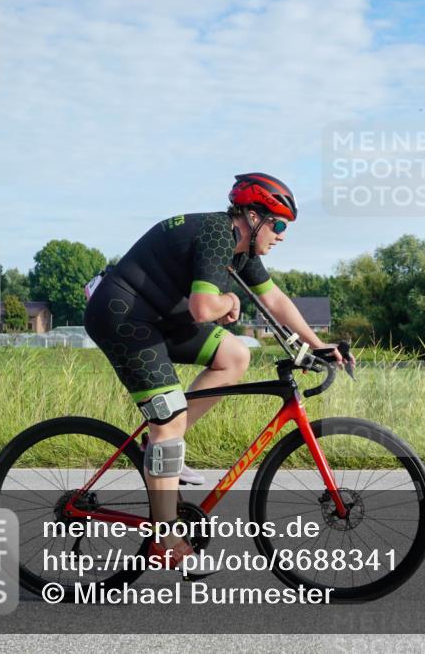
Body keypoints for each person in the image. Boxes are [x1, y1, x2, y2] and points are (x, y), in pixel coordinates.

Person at [83, 173, 353, 567]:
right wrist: (228, 299)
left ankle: (158, 448)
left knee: (235, 356)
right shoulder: (217, 235)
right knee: (168, 421)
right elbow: (202, 309)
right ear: (253, 216)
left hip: (158, 316)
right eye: (278, 225)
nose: (281, 235)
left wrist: (316, 344)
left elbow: (274, 299)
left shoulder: (243, 252)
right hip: (123, 316)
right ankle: (165, 539)